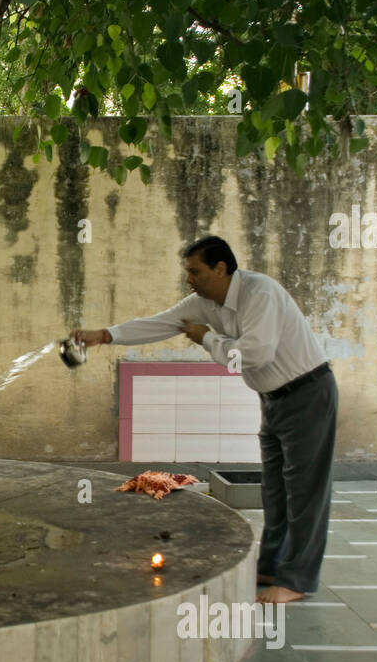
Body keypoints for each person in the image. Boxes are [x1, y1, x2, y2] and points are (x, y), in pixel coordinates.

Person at [73, 236, 337, 604]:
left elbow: (257, 354)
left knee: (306, 492)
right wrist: (104, 336)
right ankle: (273, 565)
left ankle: (297, 580)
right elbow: (160, 323)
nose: (189, 280)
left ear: (221, 268)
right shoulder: (203, 303)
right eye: (188, 273)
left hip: (307, 394)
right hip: (273, 400)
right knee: (276, 490)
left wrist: (208, 339)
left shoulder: (261, 293)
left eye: (195, 271)